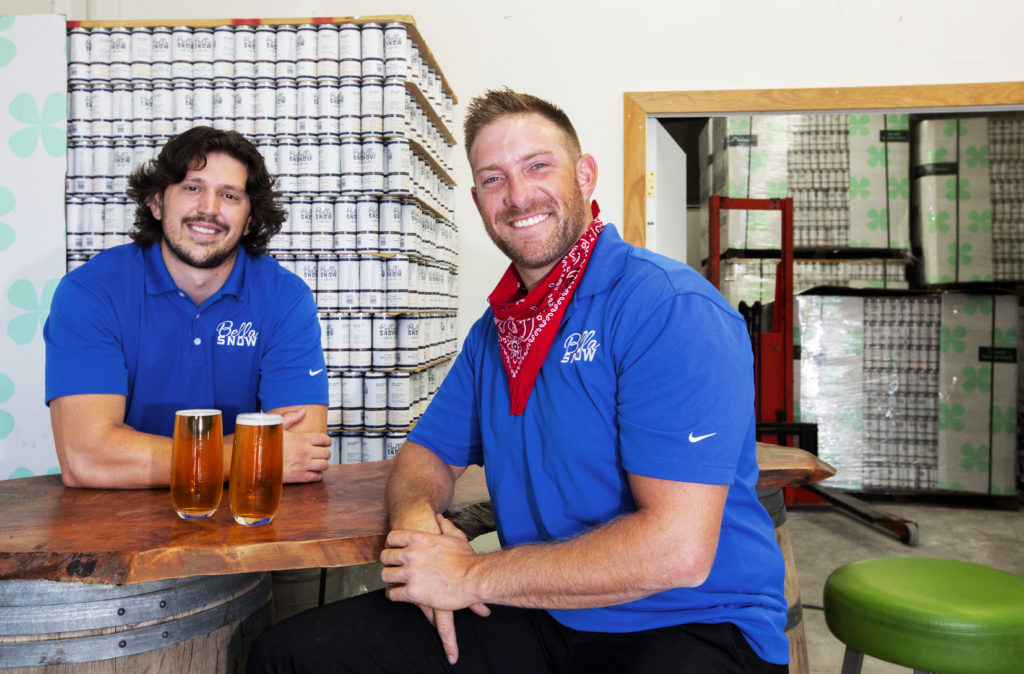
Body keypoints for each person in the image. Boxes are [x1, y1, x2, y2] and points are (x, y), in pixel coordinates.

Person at [247, 89, 789, 673]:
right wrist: (418, 531)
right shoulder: (496, 333)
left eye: (538, 166)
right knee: (292, 656)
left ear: (585, 175)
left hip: (690, 623)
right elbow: (425, 454)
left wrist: (470, 574)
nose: (518, 195)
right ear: (478, 199)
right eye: (493, 178)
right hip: (544, 610)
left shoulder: (666, 307)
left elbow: (677, 551)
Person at [44, 126, 331, 488]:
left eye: (229, 195)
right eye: (192, 188)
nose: (208, 209)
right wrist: (249, 456)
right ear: (157, 202)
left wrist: (138, 454)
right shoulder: (90, 293)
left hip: (241, 522)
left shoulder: (286, 299)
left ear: (250, 221)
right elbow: (86, 458)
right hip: (115, 519)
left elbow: (303, 450)